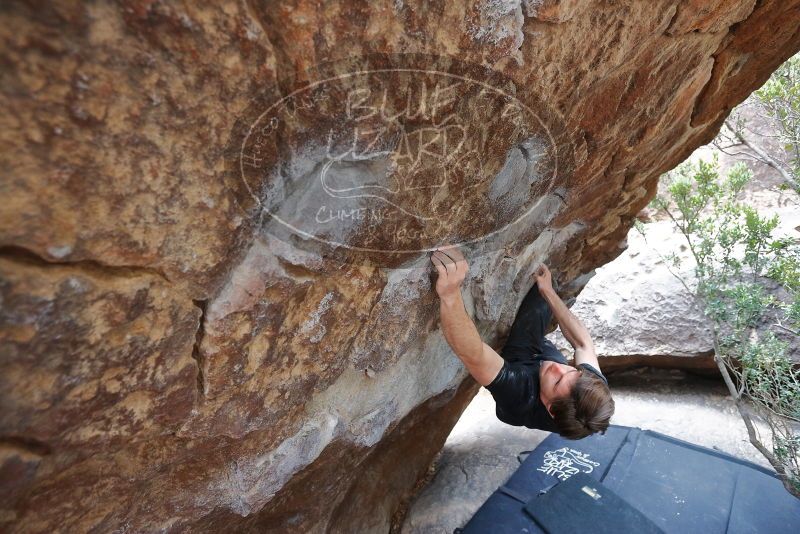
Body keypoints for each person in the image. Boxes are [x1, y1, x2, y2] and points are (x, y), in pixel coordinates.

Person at [430, 246, 614, 439]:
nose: (558, 368)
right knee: (540, 293)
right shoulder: (591, 389)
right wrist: (548, 292)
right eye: (572, 370)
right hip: (542, 363)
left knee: (521, 339)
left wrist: (450, 292)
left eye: (558, 381)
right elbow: (583, 344)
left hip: (524, 377)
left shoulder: (518, 394)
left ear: (550, 408)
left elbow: (473, 354)